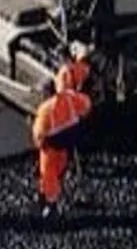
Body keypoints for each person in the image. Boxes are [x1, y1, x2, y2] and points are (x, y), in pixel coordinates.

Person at [31, 78, 92, 219]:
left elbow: (39, 134)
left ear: (45, 93)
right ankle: (58, 182)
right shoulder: (69, 96)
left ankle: (51, 204)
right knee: (60, 166)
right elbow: (86, 103)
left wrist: (39, 145)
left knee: (48, 172)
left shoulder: (45, 109)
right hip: (71, 140)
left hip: (54, 144)